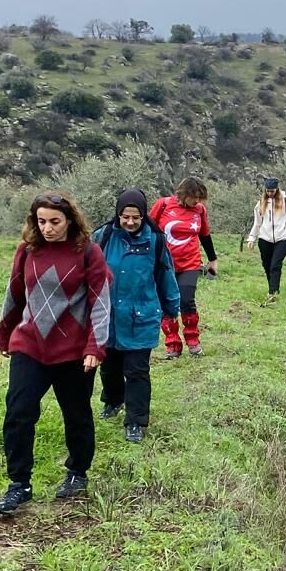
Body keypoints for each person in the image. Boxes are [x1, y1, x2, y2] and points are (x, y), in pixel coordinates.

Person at [0, 192, 111, 516]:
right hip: (30, 344)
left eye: (54, 221)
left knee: (76, 414)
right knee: (18, 412)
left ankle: (77, 472)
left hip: (74, 351)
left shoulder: (88, 252)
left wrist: (95, 346)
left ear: (70, 220)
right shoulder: (27, 250)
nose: (47, 228)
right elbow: (14, 293)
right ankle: (19, 484)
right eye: (41, 221)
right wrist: (5, 333)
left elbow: (100, 302)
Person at [93, 188, 179, 444]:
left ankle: (136, 421)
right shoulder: (103, 236)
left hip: (142, 316)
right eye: (125, 217)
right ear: (118, 215)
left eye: (136, 217)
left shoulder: (156, 240)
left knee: (137, 371)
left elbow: (165, 274)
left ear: (144, 216)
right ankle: (113, 399)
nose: (130, 222)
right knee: (109, 367)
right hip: (108, 317)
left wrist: (172, 307)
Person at [149, 177, 217, 358]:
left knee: (187, 300)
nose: (197, 201)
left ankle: (193, 340)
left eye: (200, 198)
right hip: (164, 265)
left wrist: (212, 260)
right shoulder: (163, 205)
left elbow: (205, 235)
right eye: (194, 197)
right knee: (167, 303)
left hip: (190, 263)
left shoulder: (199, 210)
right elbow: (148, 230)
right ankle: (172, 344)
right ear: (183, 193)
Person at [244, 177, 286, 303]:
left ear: (277, 189)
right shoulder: (261, 203)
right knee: (267, 266)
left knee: (275, 265)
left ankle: (272, 293)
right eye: (268, 191)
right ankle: (273, 288)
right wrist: (252, 238)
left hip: (283, 238)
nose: (270, 193)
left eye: (272, 191)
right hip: (265, 239)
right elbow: (257, 223)